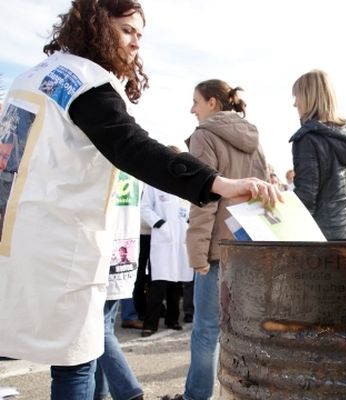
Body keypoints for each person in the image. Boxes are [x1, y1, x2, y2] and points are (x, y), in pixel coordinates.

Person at [0, 2, 281, 399]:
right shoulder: (86, 83)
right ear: (97, 25)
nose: (135, 44)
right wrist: (218, 184)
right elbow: (133, 148)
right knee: (74, 365)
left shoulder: (29, 79)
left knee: (67, 353)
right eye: (127, 30)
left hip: (20, 238)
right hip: (64, 247)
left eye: (140, 36)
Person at [179, 79, 269, 400]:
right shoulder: (254, 140)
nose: (192, 108)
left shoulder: (205, 135)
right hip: (250, 246)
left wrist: (197, 253)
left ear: (213, 103)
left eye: (196, 101)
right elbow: (264, 193)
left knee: (206, 331)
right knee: (246, 330)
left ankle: (197, 396)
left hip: (218, 249)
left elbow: (204, 198)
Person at [289, 69, 346, 239]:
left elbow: (306, 196)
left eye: (297, 97)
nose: (295, 104)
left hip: (321, 237)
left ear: (309, 98)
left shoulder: (307, 138)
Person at [95, 171, 143, 400]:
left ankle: (128, 391)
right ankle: (99, 390)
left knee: (97, 328)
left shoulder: (103, 157)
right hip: (125, 249)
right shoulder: (132, 165)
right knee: (104, 324)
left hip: (104, 249)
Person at [140, 155, 194, 337]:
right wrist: (159, 224)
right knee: (158, 284)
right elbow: (144, 208)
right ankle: (150, 324)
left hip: (180, 240)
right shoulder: (154, 183)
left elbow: (190, 208)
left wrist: (188, 222)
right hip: (163, 239)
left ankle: (172, 320)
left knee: (176, 284)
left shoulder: (184, 184)